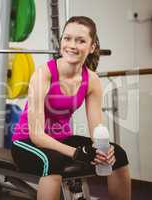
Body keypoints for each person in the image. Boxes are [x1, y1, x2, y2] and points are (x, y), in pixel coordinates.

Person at [11, 16, 131, 200]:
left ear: (92, 47)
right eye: (67, 38)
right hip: (27, 141)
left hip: (62, 139)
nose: (72, 45)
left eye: (80, 40)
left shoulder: (91, 80)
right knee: (52, 162)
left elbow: (97, 130)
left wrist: (103, 149)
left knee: (119, 155)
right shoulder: (43, 73)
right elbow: (37, 135)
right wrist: (77, 153)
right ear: (61, 42)